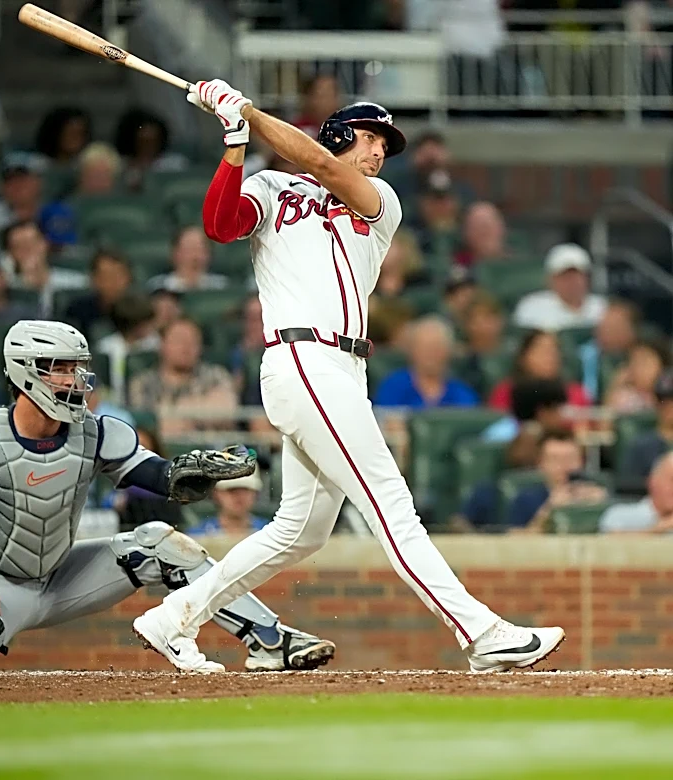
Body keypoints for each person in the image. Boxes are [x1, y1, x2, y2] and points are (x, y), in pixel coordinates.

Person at [131, 82, 564, 672]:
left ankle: (173, 617)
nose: (378, 152)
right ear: (337, 132)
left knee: (300, 532)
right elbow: (220, 225)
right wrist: (235, 140)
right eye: (369, 138)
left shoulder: (380, 200)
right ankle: (481, 632)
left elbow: (315, 162)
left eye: (385, 144)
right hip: (302, 359)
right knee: (390, 502)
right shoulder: (271, 187)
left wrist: (247, 113)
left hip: (342, 367)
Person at [0, 320, 334, 674]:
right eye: (61, 368)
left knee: (163, 544)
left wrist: (185, 470)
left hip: (60, 576)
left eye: (76, 367)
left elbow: (155, 474)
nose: (74, 379)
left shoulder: (95, 432)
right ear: (28, 373)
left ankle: (272, 640)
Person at [128, 318, 238, 438]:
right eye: (179, 340)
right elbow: (148, 425)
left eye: (193, 342)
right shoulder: (143, 382)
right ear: (162, 345)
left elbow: (226, 412)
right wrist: (202, 409)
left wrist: (171, 412)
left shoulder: (217, 375)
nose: (186, 347)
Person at [506, 432, 606, 534]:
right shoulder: (525, 500)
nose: (564, 465)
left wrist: (601, 507)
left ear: (581, 462)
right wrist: (549, 509)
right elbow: (514, 539)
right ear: (541, 463)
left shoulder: (597, 491)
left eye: (570, 458)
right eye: (555, 459)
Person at [374, 316, 478, 409]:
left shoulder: (463, 394)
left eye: (436, 348)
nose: (430, 354)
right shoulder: (393, 387)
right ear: (412, 351)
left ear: (448, 352)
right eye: (424, 348)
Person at [488, 329, 591, 412]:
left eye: (553, 352)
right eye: (542, 351)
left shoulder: (575, 393)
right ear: (523, 357)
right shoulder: (506, 392)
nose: (550, 357)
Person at [514, 244, 608, 331]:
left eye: (577, 276)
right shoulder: (532, 308)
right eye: (565, 276)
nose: (572, 282)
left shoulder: (602, 308)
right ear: (550, 280)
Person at [2, 220, 85, 317]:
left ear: (45, 244)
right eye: (19, 246)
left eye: (32, 243)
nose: (28, 251)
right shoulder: (5, 290)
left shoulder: (76, 283)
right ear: (10, 253)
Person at [96, 292, 161, 404]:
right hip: (115, 402)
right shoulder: (105, 348)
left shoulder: (157, 344)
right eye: (146, 323)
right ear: (135, 325)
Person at [617, 369, 673, 495]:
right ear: (658, 404)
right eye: (666, 403)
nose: (670, 409)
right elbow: (626, 485)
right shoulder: (641, 445)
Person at [64, 249, 133, 340]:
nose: (114, 282)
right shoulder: (77, 311)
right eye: (107, 276)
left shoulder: (143, 310)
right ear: (94, 279)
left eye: (118, 275)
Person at [579, 299, 638, 402]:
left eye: (613, 327)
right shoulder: (584, 357)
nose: (604, 332)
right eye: (603, 326)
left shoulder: (642, 356)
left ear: (631, 331)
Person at [115, 108, 189, 190]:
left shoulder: (175, 164)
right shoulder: (119, 166)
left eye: (153, 141)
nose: (148, 148)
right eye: (143, 142)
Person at [482, 377, 568, 447]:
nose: (561, 415)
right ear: (542, 412)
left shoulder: (551, 435)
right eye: (557, 409)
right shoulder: (502, 436)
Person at [600, 451, 673, 534]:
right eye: (672, 480)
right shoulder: (620, 515)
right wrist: (661, 528)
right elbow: (609, 537)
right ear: (653, 482)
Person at [190, 467, 269, 538]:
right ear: (216, 493)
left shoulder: (271, 534)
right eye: (232, 490)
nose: (239, 496)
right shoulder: (197, 536)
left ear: (256, 493)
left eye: (245, 490)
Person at [147, 226, 229, 293]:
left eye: (200, 249)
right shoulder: (160, 287)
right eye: (190, 249)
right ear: (176, 253)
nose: (195, 256)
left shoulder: (221, 286)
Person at [604, 337, 671, 414]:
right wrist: (615, 386)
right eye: (634, 362)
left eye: (644, 362)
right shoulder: (623, 398)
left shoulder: (669, 394)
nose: (638, 369)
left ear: (663, 365)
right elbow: (606, 421)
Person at [454, 201, 509, 266]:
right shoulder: (458, 266)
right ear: (466, 233)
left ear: (502, 228)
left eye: (489, 226)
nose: (485, 232)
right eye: (477, 227)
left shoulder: (517, 263)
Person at [292, 74, 342, 140]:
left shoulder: (347, 129)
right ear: (310, 98)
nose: (328, 101)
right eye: (323, 95)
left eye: (332, 94)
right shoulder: (297, 130)